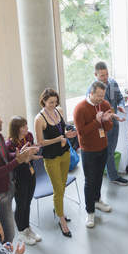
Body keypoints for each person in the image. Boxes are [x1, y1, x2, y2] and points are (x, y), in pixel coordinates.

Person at [0, 110, 40, 245]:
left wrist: (19, 154)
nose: (1, 121)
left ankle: (25, 229)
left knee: (20, 210)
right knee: (7, 231)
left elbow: (5, 157)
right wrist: (18, 160)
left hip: (8, 184)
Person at [34, 87, 77, 238]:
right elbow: (40, 142)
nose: (53, 104)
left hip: (64, 154)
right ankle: (61, 220)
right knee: (58, 189)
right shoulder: (39, 119)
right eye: (50, 102)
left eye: (55, 102)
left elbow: (61, 131)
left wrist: (67, 134)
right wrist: (59, 139)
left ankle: (57, 210)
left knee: (62, 185)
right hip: (51, 158)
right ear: (43, 101)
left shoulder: (59, 111)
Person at [74, 81, 114, 229]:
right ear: (91, 93)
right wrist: (97, 121)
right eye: (98, 95)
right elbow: (81, 133)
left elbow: (109, 127)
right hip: (88, 150)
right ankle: (90, 211)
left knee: (99, 177)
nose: (101, 99)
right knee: (90, 181)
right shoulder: (80, 109)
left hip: (103, 147)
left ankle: (97, 201)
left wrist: (106, 120)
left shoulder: (104, 104)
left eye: (103, 95)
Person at [89, 60, 128, 186]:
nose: (105, 78)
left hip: (114, 123)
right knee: (106, 151)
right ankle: (113, 176)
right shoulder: (92, 90)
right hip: (101, 127)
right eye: (102, 76)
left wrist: (121, 105)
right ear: (95, 75)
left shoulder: (112, 83)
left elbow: (120, 98)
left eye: (106, 74)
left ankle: (111, 174)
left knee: (111, 150)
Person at [6, 116, 40, 246]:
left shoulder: (29, 136)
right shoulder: (10, 144)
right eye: (23, 126)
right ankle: (21, 232)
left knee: (28, 202)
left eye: (26, 125)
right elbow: (11, 162)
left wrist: (33, 152)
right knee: (21, 204)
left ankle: (27, 228)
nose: (27, 128)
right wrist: (24, 157)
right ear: (16, 129)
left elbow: (30, 152)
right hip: (19, 177)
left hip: (30, 173)